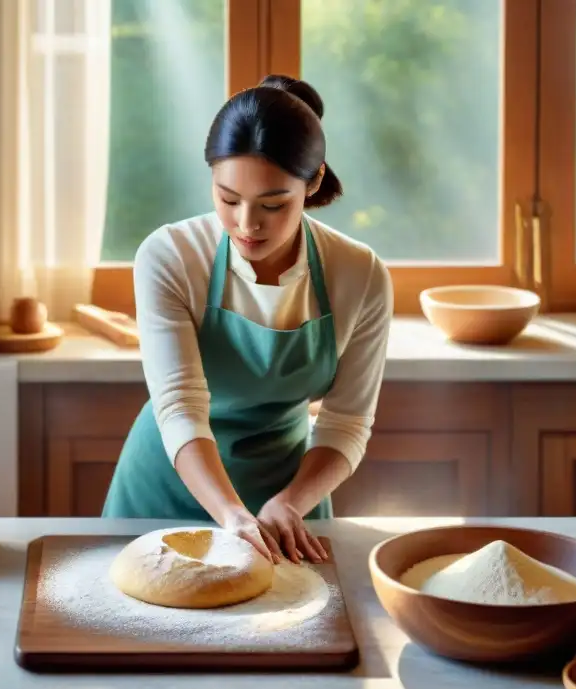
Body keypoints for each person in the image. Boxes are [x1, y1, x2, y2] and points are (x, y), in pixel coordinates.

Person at [102, 74, 393, 566]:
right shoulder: (171, 256)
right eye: (228, 199)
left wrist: (290, 502)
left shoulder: (359, 274)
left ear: (314, 181)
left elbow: (347, 423)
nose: (246, 224)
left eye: (273, 205)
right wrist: (231, 513)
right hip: (165, 485)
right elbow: (179, 406)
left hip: (287, 496)